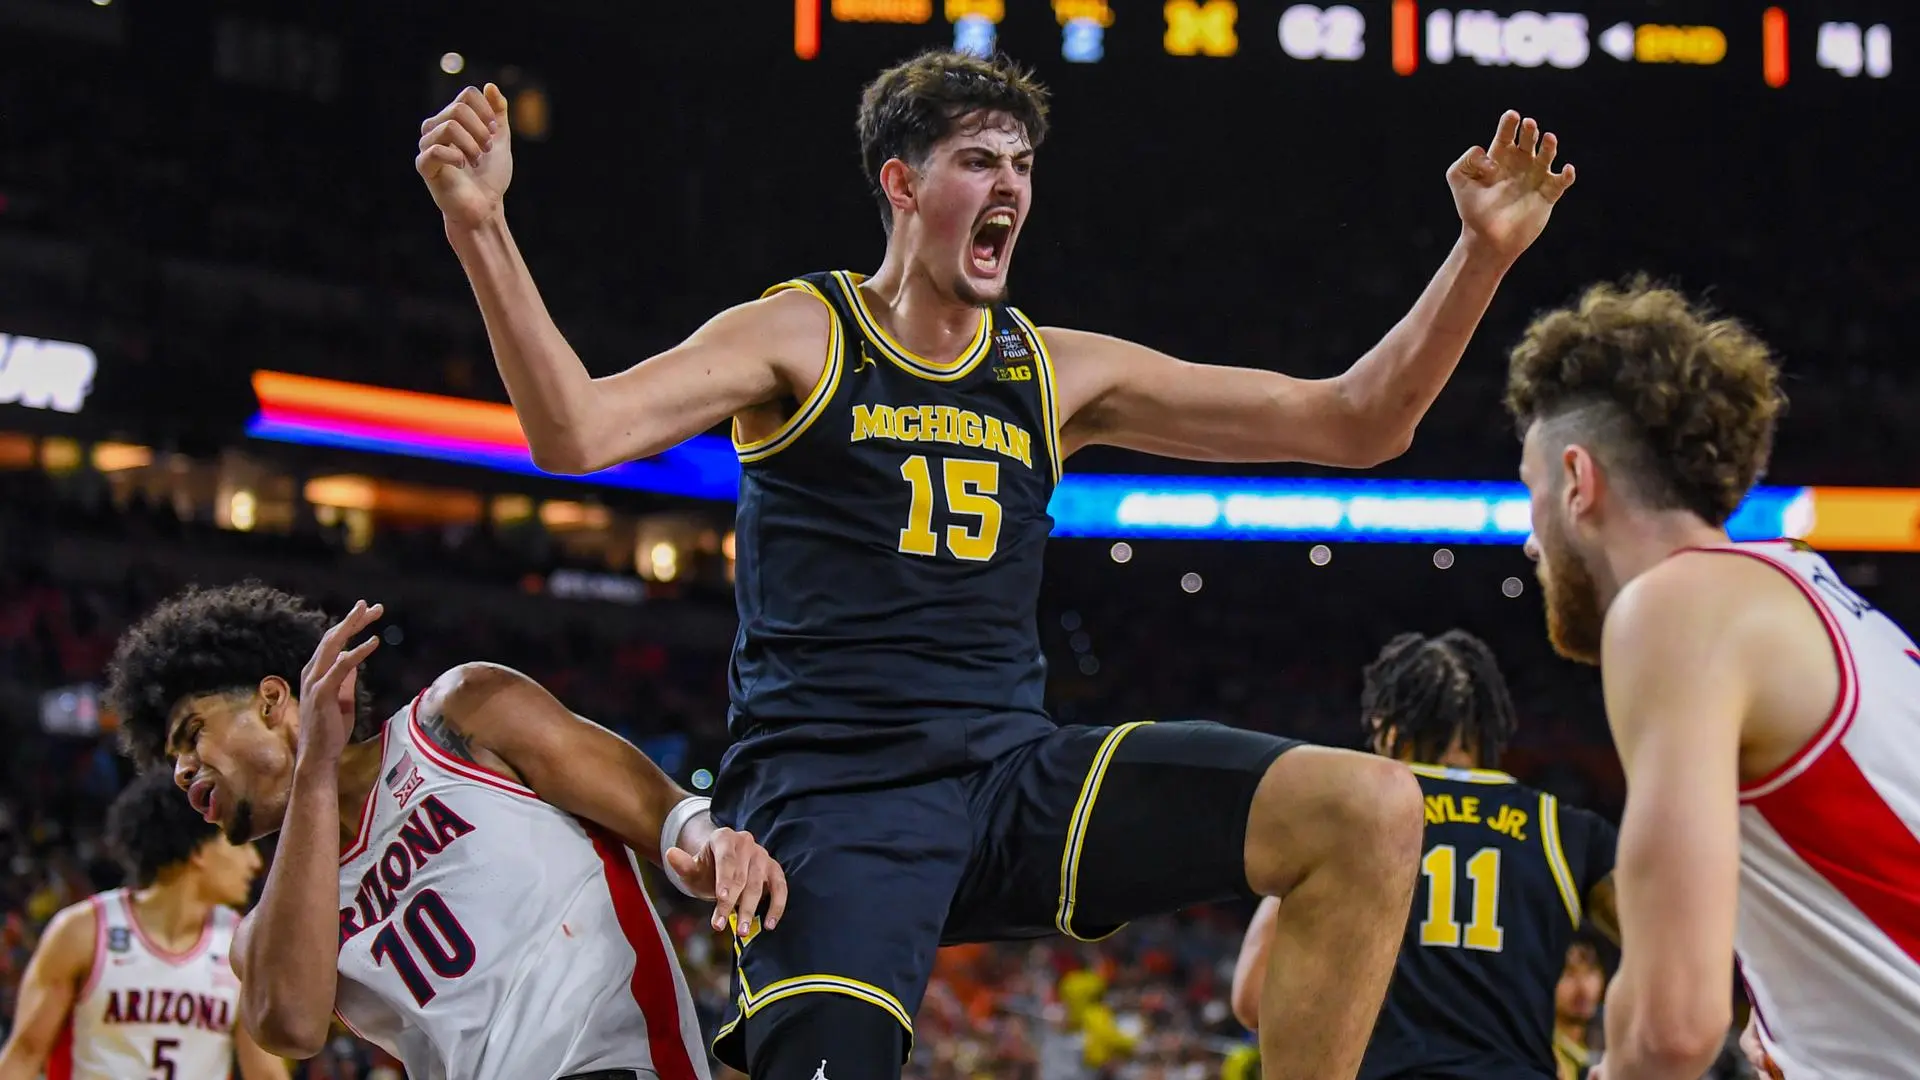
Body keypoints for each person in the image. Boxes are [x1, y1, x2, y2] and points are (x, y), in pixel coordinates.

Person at [413, 51, 1575, 1080]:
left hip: (1009, 779)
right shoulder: (803, 333)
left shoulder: (1053, 370)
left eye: (1021, 163)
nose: (1010, 185)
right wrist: (481, 225)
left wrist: (1479, 256)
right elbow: (576, 431)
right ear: (903, 185)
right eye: (978, 160)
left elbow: (1359, 423)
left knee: (1368, 809)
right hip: (833, 806)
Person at [103, 583, 788, 1080]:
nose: (181, 772)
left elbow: (661, 808)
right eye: (172, 762)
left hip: (613, 1062)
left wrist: (711, 843)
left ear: (273, 700)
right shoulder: (265, 932)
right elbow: (292, 1024)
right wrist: (313, 769)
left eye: (191, 735)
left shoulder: (457, 715)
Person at [1507, 279, 1920, 1079]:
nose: (1530, 540)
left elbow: (1669, 1030)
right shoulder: (1801, 587)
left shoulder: (1674, 608)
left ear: (1578, 480)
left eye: (1532, 492)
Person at [1231, 630, 1619, 1080]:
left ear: (1388, 726)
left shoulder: (1348, 820)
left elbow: (1252, 998)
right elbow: (1669, 961)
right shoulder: (1562, 827)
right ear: (1490, 726)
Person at [0, 769, 288, 1080]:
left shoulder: (242, 946)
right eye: (240, 844)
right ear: (199, 851)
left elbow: (267, 1074)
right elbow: (25, 1054)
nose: (255, 862)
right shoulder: (84, 931)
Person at [1552, 936, 1606, 1080]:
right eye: (1569, 973)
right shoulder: (1539, 1054)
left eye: (1590, 971)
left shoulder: (1606, 1050)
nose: (1583, 988)